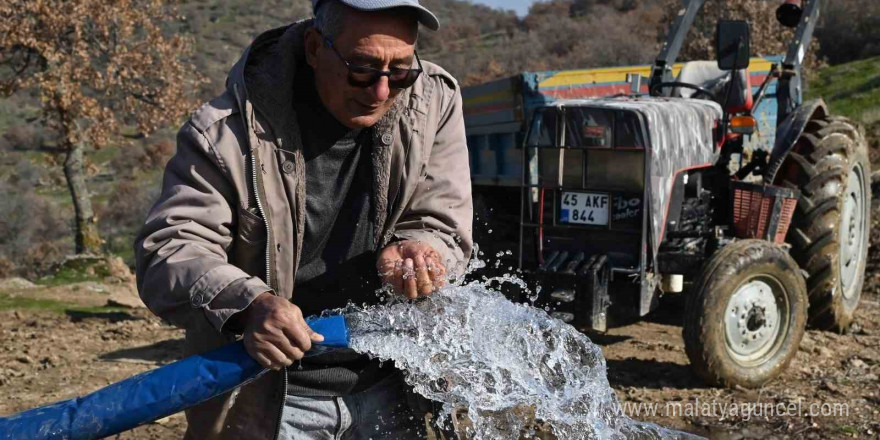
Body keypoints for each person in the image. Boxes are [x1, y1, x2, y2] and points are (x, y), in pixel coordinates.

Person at [134, 0, 473, 438]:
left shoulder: (434, 102)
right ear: (315, 48)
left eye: (401, 70)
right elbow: (172, 249)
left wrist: (422, 247)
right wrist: (249, 305)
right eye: (362, 68)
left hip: (392, 387)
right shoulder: (224, 133)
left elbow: (443, 218)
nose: (382, 91)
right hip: (268, 396)